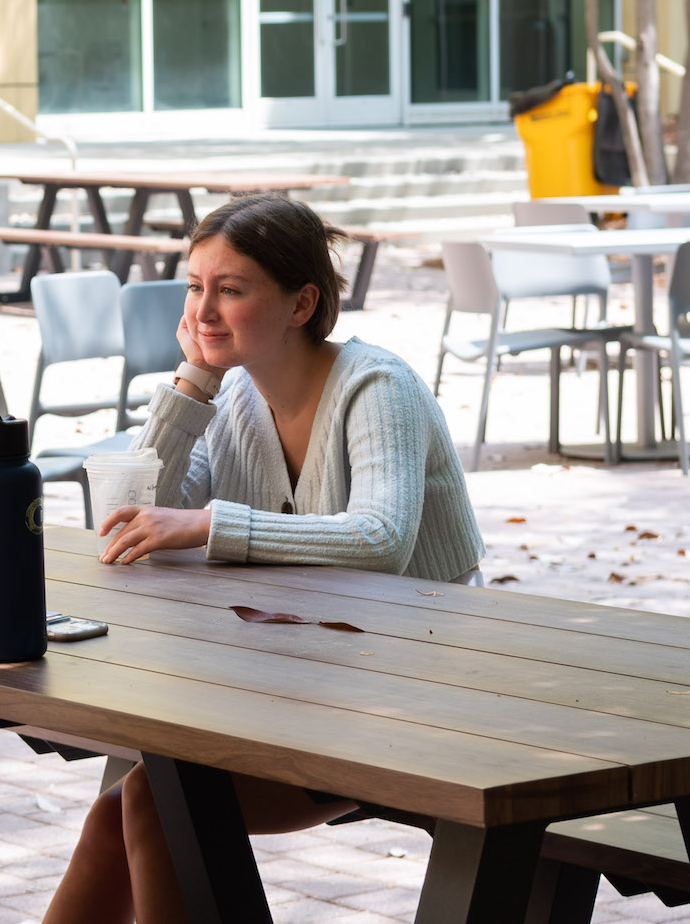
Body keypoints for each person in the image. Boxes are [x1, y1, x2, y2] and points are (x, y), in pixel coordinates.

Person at [44, 193, 484, 924]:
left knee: (157, 803)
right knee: (116, 816)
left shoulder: (378, 386)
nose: (203, 310)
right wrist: (192, 383)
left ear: (301, 302)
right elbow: (128, 514)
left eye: (232, 289)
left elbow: (379, 539)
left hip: (418, 698)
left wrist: (209, 524)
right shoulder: (238, 397)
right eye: (195, 286)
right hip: (300, 681)